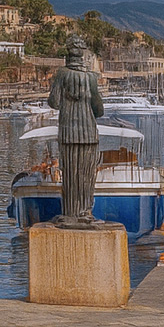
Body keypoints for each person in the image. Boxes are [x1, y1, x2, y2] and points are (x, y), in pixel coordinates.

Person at [46, 36, 104, 226]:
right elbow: (99, 110)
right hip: (88, 131)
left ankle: (70, 213)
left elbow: (53, 102)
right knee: (86, 174)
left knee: (70, 173)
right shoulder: (91, 77)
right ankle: (85, 212)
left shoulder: (62, 74)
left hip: (68, 131)